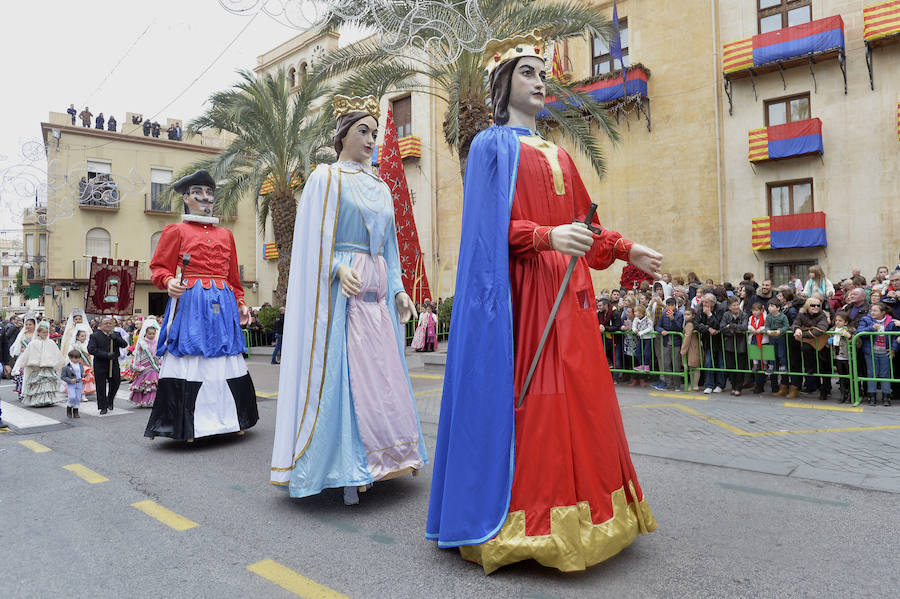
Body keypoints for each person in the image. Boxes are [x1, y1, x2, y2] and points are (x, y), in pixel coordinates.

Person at [425, 34, 660, 573]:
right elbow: (487, 235)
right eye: (528, 72)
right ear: (504, 85)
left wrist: (627, 249)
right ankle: (531, 519)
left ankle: (591, 513)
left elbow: (587, 225)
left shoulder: (559, 152)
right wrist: (546, 237)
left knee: (581, 400)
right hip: (527, 297)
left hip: (571, 298)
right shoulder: (491, 145)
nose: (540, 80)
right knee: (541, 401)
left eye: (542, 72)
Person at [270, 95, 426, 505]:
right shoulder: (326, 179)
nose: (372, 139)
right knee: (346, 380)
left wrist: (398, 289)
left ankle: (387, 458)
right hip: (345, 299)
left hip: (377, 302)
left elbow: (390, 249)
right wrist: (337, 267)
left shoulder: (382, 188)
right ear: (342, 135)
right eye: (363, 131)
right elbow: (313, 242)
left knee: (384, 380)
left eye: (375, 132)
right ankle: (351, 466)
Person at [145, 169, 258, 441]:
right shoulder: (175, 230)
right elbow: (158, 268)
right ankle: (189, 425)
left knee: (225, 356)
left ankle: (231, 420)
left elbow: (233, 276)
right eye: (198, 193)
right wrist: (169, 280)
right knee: (191, 352)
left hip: (223, 303)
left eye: (209, 193)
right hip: (191, 304)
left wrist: (241, 302)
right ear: (186, 198)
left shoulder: (226, 235)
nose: (205, 198)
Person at [13, 321, 63, 407]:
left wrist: (53, 363)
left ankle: (48, 399)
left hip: (48, 367)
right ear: (38, 333)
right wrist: (31, 363)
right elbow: (28, 355)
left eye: (46, 332)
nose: (45, 334)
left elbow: (56, 354)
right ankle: (37, 400)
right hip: (37, 368)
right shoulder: (33, 343)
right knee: (38, 384)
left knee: (47, 384)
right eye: (43, 332)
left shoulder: (50, 342)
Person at [792, 297, 831, 401]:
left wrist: (802, 334)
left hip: (822, 346)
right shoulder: (801, 314)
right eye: (813, 305)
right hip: (809, 347)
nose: (816, 307)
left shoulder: (823, 315)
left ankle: (825, 391)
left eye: (818, 305)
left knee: (824, 368)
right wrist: (796, 329)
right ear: (807, 306)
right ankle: (813, 387)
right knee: (811, 368)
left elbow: (820, 330)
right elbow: (795, 324)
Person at [857, 303, 896, 406]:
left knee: (885, 374)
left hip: (885, 352)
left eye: (875, 311)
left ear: (883, 312)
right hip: (871, 352)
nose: (872, 312)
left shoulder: (891, 321)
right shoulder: (866, 320)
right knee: (871, 373)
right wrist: (871, 328)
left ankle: (886, 396)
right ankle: (872, 396)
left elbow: (895, 337)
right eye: (871, 310)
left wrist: (893, 349)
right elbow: (859, 332)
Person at [88, 317, 127, 415]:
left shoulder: (116, 334)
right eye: (106, 323)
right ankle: (103, 406)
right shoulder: (95, 335)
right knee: (101, 385)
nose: (108, 325)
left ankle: (110, 400)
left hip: (113, 363)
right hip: (100, 363)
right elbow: (91, 349)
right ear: (101, 325)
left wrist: (116, 338)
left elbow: (124, 345)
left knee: (116, 382)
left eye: (110, 323)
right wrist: (105, 354)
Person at [696, 293, 725, 394]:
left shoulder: (720, 309)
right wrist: (708, 328)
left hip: (719, 341)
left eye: (706, 302)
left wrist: (709, 315)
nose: (704, 303)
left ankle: (720, 385)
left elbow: (719, 325)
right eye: (703, 301)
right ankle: (709, 385)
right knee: (708, 363)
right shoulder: (700, 309)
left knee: (721, 363)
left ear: (713, 303)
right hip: (708, 340)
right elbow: (697, 324)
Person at [129, 318, 160, 407]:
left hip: (153, 366)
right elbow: (138, 354)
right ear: (145, 333)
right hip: (144, 364)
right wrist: (137, 365)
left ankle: (151, 401)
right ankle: (142, 400)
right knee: (143, 384)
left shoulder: (156, 342)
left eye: (153, 334)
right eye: (149, 334)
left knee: (152, 384)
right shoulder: (142, 342)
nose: (151, 335)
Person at [720, 297, 748, 396]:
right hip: (729, 344)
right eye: (734, 305)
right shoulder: (726, 315)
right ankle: (733, 386)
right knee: (730, 366)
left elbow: (744, 327)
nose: (736, 307)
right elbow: (722, 328)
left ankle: (739, 388)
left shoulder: (744, 315)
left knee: (740, 367)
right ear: (729, 307)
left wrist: (731, 326)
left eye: (737, 305)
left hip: (741, 344)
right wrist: (735, 331)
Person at [655, 297, 683, 390]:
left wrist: (672, 319)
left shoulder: (679, 314)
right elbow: (658, 326)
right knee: (666, 363)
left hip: (676, 343)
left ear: (675, 305)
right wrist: (662, 330)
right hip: (666, 342)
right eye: (668, 305)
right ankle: (668, 384)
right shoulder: (663, 314)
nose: (670, 307)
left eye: (672, 305)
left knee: (676, 364)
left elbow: (679, 328)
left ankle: (677, 385)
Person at [830, 311, 854, 404]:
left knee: (850, 377)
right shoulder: (832, 330)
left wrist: (850, 337)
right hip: (838, 356)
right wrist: (829, 342)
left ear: (846, 322)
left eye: (840, 320)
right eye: (836, 320)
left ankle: (852, 395)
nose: (837, 322)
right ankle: (843, 394)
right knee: (842, 377)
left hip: (848, 357)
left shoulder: (851, 330)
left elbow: (857, 343)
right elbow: (830, 344)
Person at [10, 315, 36, 400]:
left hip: (34, 356)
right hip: (24, 357)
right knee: (22, 374)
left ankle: (33, 393)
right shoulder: (22, 334)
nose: (28, 326)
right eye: (27, 324)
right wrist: (20, 349)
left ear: (34, 325)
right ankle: (22, 392)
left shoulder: (36, 335)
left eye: (30, 324)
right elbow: (17, 345)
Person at [69, 325, 96, 398]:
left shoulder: (87, 344)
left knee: (86, 379)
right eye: (82, 336)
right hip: (78, 364)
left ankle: (84, 393)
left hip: (86, 364)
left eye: (84, 336)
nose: (83, 337)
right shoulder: (74, 345)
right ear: (77, 337)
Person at [60, 349, 86, 418]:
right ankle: (69, 408)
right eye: (75, 358)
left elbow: (81, 373)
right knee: (72, 397)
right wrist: (70, 380)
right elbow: (62, 377)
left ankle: (75, 411)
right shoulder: (66, 367)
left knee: (77, 398)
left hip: (79, 383)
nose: (77, 360)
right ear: (70, 358)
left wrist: (83, 374)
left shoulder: (80, 365)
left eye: (78, 358)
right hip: (71, 384)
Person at [681, 307, 702, 391]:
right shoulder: (690, 323)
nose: (686, 316)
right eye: (685, 314)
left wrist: (683, 350)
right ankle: (694, 384)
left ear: (693, 315)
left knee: (694, 367)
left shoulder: (689, 325)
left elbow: (687, 337)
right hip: (693, 346)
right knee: (693, 367)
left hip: (692, 347)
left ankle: (695, 385)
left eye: (688, 314)